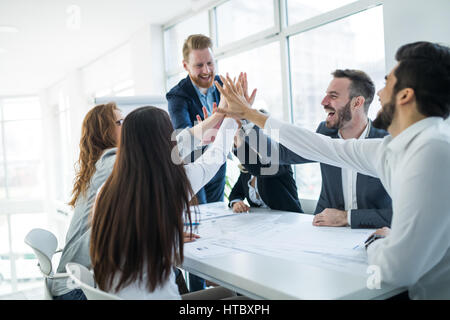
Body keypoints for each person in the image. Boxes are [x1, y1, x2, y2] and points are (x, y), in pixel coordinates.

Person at [216, 41, 450, 299]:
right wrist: (249, 115)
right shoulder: (394, 148)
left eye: (387, 82)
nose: (381, 94)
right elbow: (323, 147)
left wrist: (379, 242)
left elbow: (398, 268)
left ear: (405, 95)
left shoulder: (433, 152)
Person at [51, 102, 227, 300]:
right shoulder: (114, 163)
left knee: (169, 272)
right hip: (77, 290)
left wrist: (159, 232)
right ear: (103, 133)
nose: (125, 125)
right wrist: (221, 119)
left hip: (84, 283)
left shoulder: (108, 168)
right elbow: (167, 149)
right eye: (120, 122)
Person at [247, 70, 392, 228]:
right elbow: (278, 154)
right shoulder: (325, 132)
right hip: (324, 230)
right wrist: (245, 122)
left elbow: (400, 215)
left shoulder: (386, 141)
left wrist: (347, 217)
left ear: (357, 103)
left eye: (333, 96)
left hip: (373, 234)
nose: (323, 102)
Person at [229, 111, 303, 213]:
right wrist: (236, 202)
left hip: (289, 220)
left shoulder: (279, 160)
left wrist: (238, 140)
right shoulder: (247, 167)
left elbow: (258, 169)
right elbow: (235, 193)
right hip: (264, 223)